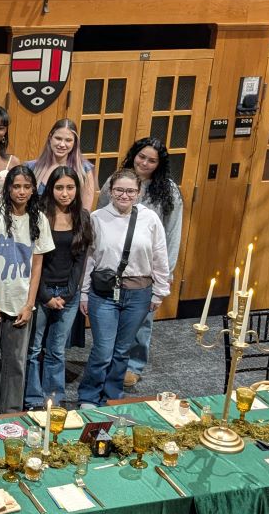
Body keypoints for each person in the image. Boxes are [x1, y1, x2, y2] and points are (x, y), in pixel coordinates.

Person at [78, 169, 170, 408]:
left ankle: (111, 395)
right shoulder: (97, 218)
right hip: (104, 293)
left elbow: (160, 256)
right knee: (103, 349)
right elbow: (89, 258)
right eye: (119, 190)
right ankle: (89, 395)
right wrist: (84, 293)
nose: (124, 195)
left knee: (122, 350)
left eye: (130, 191)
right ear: (110, 191)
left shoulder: (149, 219)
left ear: (138, 193)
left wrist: (160, 291)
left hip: (139, 293)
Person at [97, 137, 183, 388]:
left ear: (159, 164)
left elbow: (172, 233)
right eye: (141, 156)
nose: (144, 163)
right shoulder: (115, 181)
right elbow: (100, 219)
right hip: (112, 267)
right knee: (110, 319)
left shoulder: (168, 190)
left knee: (142, 321)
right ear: (133, 155)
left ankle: (133, 366)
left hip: (146, 269)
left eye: (151, 160)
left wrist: (165, 274)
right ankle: (109, 363)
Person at [0, 166, 54, 415]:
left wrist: (29, 305)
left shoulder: (39, 219)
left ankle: (12, 413)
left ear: (33, 189)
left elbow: (37, 265)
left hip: (20, 301)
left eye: (27, 187)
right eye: (16, 186)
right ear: (8, 188)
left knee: (16, 361)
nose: (21, 191)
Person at [23, 166, 92, 409]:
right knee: (33, 348)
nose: (65, 193)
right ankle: (32, 398)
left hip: (67, 294)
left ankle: (53, 398)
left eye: (70, 187)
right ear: (51, 189)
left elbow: (80, 262)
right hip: (41, 292)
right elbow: (32, 260)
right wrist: (45, 296)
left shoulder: (83, 217)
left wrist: (69, 293)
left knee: (57, 350)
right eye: (59, 187)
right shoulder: (39, 215)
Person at [25, 118, 96, 211]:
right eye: (58, 138)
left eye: (68, 140)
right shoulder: (31, 167)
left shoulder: (84, 170)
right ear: (50, 138)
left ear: (74, 143)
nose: (62, 144)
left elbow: (85, 211)